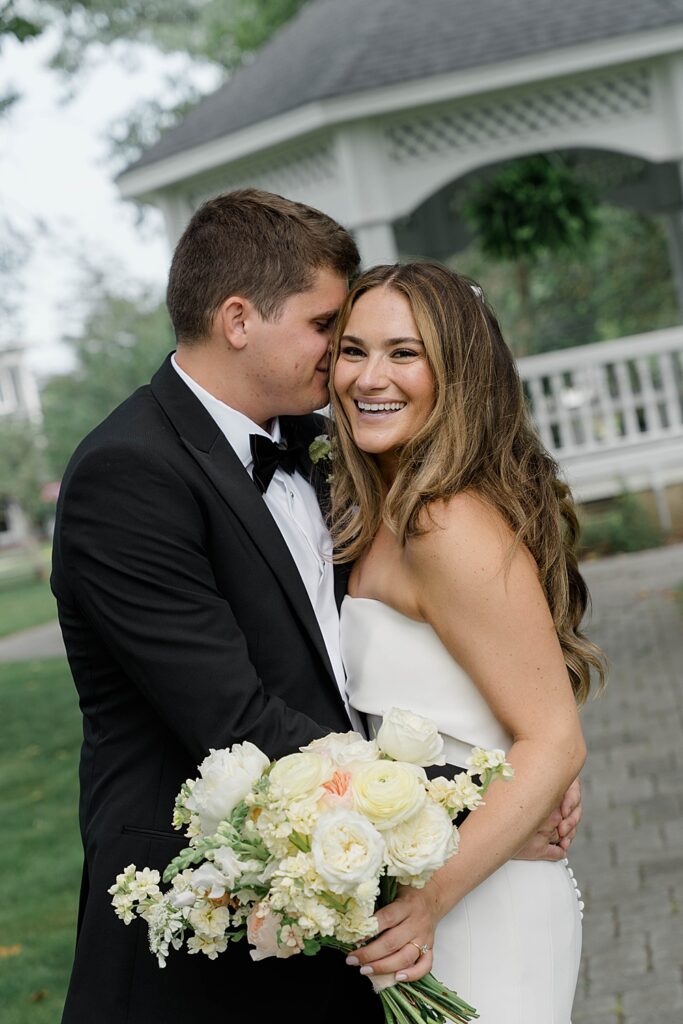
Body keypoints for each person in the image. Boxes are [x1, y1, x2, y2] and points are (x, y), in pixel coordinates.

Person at [52, 191, 582, 1023]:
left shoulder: (331, 457)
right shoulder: (130, 474)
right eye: (329, 330)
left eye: (388, 349)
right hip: (204, 926)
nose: (346, 363)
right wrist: (482, 797)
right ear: (238, 319)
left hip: (356, 896)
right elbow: (235, 718)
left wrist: (512, 780)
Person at [329, 261, 605, 1022]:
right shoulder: (374, 514)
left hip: (484, 905)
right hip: (448, 890)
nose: (368, 377)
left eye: (403, 352)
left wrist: (426, 901)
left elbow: (552, 740)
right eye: (352, 350)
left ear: (458, 373)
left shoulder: (444, 524)